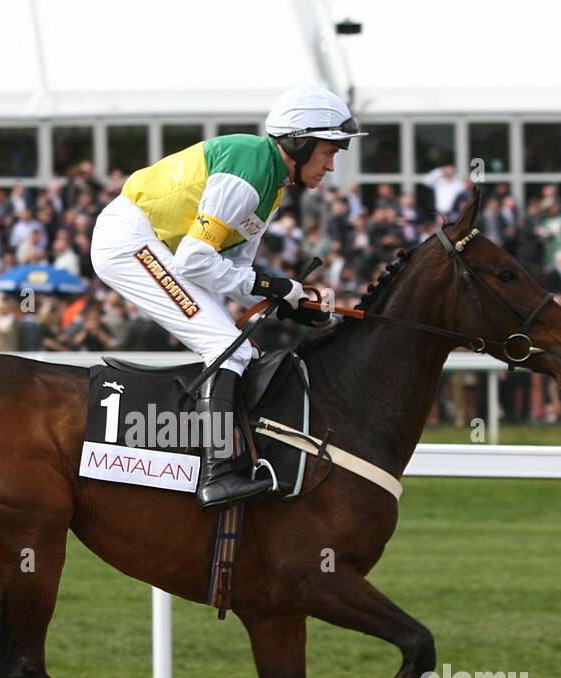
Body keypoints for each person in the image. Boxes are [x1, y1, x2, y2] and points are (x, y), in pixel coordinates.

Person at [90, 84, 361, 511]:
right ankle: (217, 476)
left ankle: (227, 456)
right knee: (225, 347)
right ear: (300, 141)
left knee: (242, 350)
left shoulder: (272, 185)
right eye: (329, 151)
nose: (331, 165)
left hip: (156, 244)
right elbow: (196, 261)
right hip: (130, 239)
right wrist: (275, 287)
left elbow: (232, 273)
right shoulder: (251, 167)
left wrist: (291, 303)